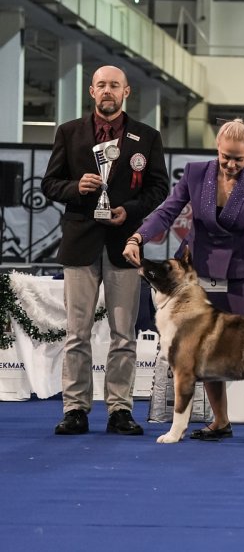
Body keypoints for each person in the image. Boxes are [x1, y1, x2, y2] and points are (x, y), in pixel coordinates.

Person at [122, 118, 244, 443]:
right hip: (200, 271)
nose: (232, 164)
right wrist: (137, 237)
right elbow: (167, 211)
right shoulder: (195, 173)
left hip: (243, 273)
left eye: (239, 158)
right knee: (206, 347)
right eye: (226, 156)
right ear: (217, 149)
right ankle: (220, 421)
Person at [42, 65, 170, 436]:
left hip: (124, 243)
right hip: (80, 243)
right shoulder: (69, 132)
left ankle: (120, 410)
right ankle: (75, 409)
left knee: (124, 335)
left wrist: (129, 210)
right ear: (91, 91)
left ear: (126, 91)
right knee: (77, 334)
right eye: (101, 85)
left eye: (114, 85)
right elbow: (50, 183)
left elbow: (159, 188)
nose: (107, 91)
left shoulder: (147, 137)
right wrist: (75, 187)